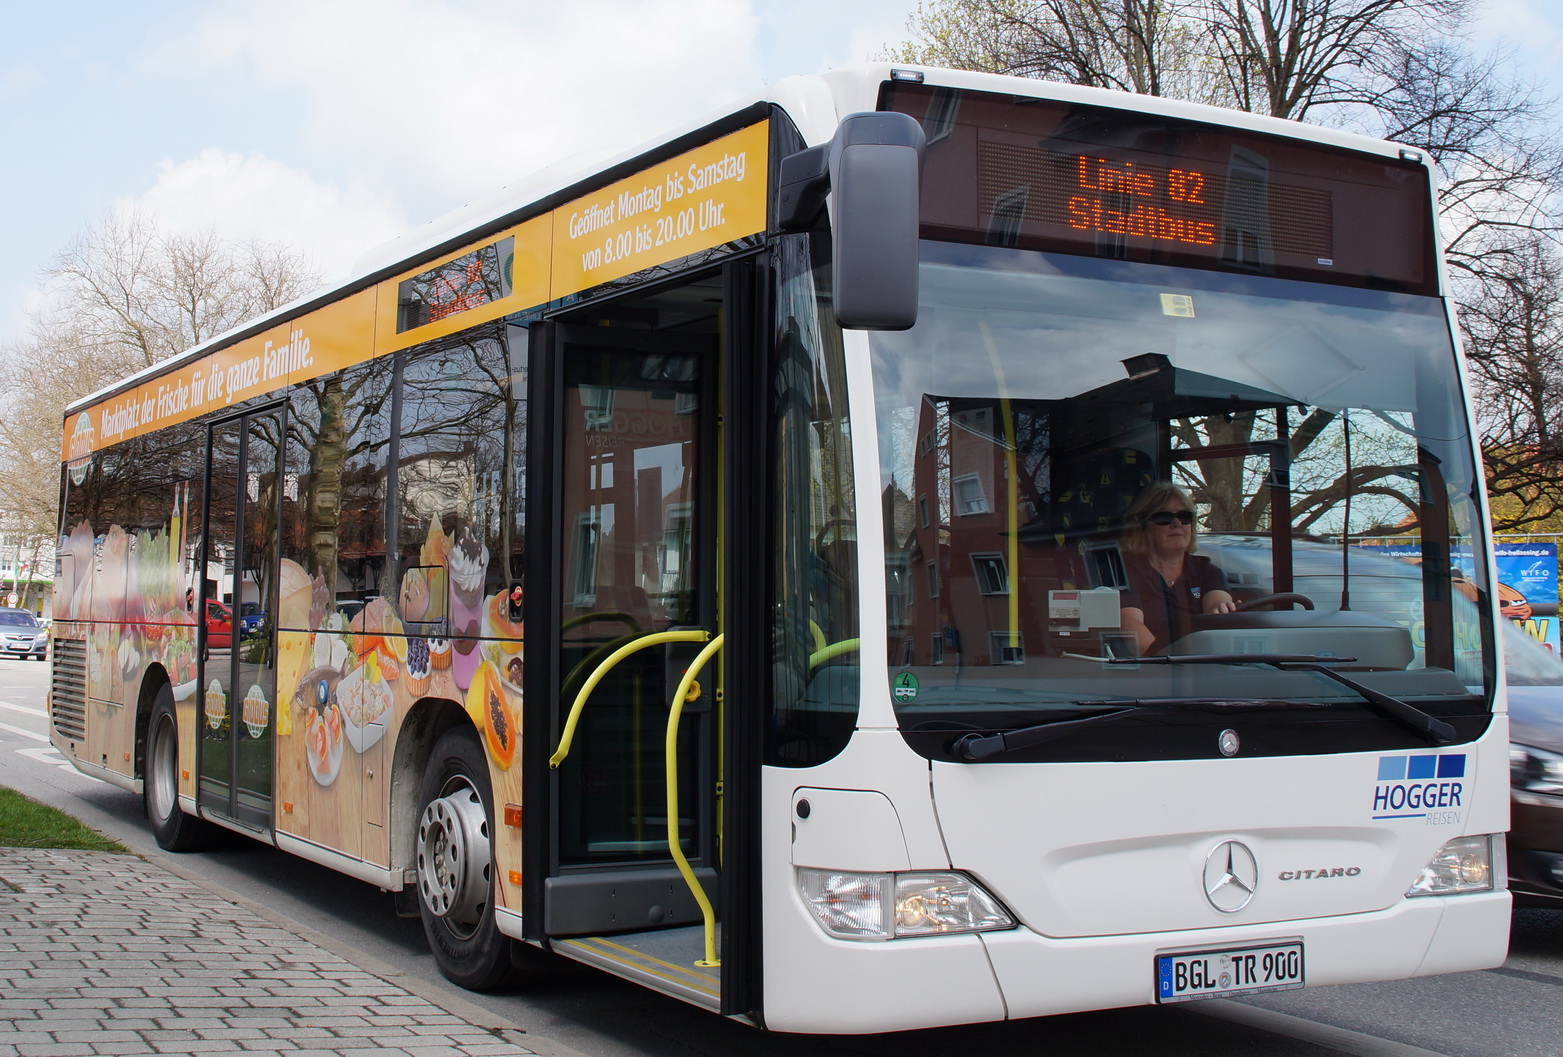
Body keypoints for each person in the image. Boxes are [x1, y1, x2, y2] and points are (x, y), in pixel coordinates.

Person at [1118, 483, 1235, 655]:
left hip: (1200, 668)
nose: (1177, 523)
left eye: (1185, 517)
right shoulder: (1125, 571)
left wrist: (1223, 610)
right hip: (1151, 671)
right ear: (1143, 528)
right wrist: (1169, 666)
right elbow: (1130, 626)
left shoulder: (1207, 571)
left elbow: (1217, 608)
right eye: (1164, 517)